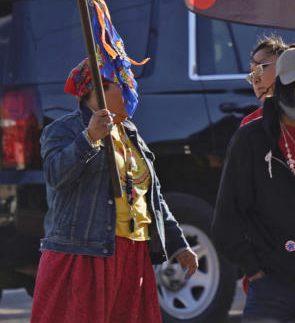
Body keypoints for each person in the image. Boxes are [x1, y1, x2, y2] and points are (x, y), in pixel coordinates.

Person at [30, 56, 198, 323]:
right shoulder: (63, 129)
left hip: (133, 254)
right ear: (96, 91)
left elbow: (150, 195)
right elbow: (55, 176)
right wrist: (89, 139)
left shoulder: (130, 131)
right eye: (121, 83)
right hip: (85, 255)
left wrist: (179, 244)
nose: (130, 88)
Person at [213, 46, 295, 322]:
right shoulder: (251, 137)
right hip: (270, 288)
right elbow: (227, 218)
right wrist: (256, 272)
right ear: (280, 88)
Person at [240, 35, 295, 127]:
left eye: (260, 68)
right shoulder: (249, 123)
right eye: (252, 74)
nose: (255, 80)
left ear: (285, 68)